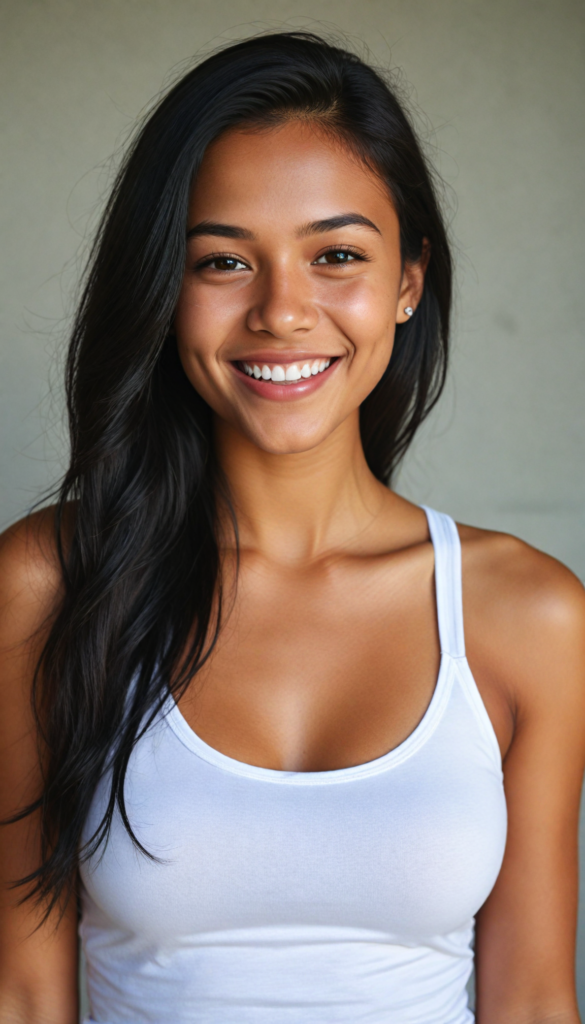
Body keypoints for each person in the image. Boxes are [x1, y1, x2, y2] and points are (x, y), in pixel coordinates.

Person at [0, 31, 584, 1024]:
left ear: (408, 282)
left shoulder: (528, 614)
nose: (281, 310)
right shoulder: (48, 585)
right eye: (224, 260)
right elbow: (20, 992)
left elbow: (531, 997)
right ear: (164, 289)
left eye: (337, 255)